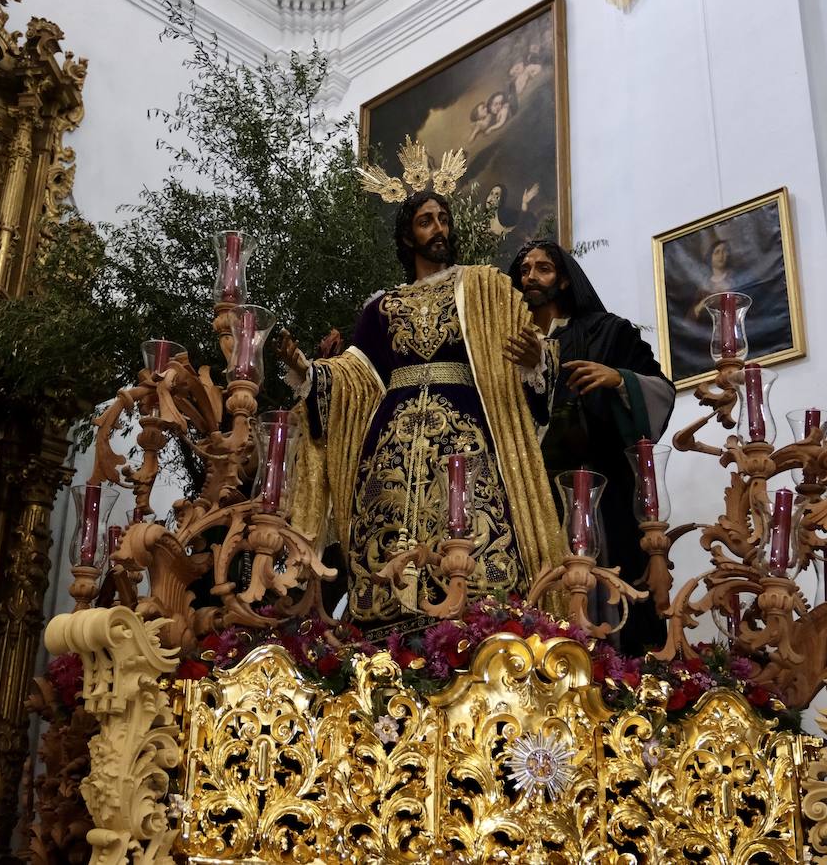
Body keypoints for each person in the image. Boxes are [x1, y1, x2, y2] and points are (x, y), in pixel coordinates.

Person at [287, 190, 565, 629]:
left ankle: (477, 628)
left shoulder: (483, 289)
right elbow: (357, 373)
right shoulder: (380, 307)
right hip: (392, 448)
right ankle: (386, 635)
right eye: (426, 221)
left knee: (473, 539)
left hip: (465, 441)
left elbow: (523, 356)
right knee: (383, 535)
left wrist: (535, 361)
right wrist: (308, 372)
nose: (439, 228)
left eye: (443, 219)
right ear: (407, 237)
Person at [507, 240, 675, 654]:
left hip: (592, 489)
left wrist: (619, 379)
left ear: (564, 280)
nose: (531, 277)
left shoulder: (608, 331)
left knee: (595, 596)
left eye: (543, 268)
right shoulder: (506, 344)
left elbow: (661, 391)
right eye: (524, 269)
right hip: (523, 494)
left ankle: (607, 667)